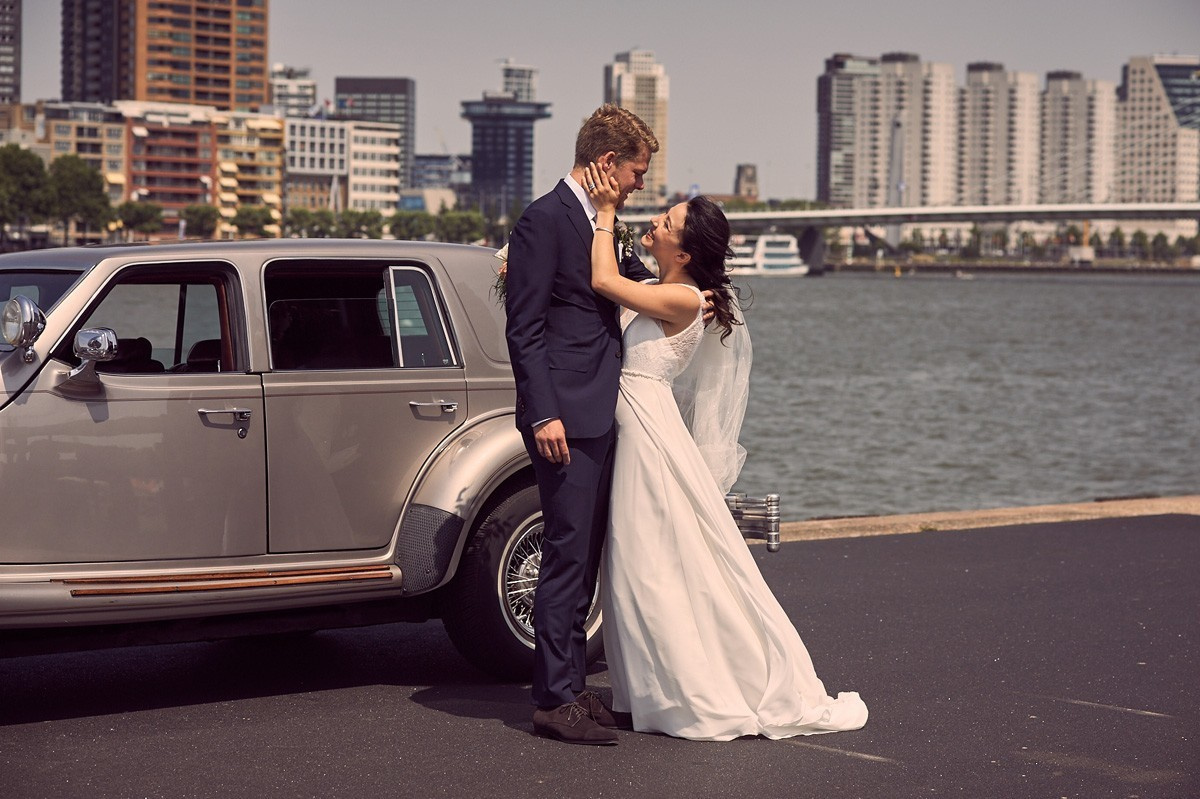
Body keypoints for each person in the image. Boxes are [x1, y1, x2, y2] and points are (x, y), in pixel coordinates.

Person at [584, 162, 870, 741]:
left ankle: (687, 693)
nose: (655, 221)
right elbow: (620, 281)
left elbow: (605, 284)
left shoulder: (686, 300)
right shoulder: (670, 290)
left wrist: (606, 211)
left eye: (665, 221)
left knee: (650, 563)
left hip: (647, 433)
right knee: (643, 563)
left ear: (685, 252)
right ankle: (650, 691)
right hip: (640, 427)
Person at [504, 104, 661, 746]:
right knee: (566, 556)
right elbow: (525, 327)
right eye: (636, 171)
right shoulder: (544, 220)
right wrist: (543, 411)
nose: (639, 184)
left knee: (586, 554)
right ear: (606, 163)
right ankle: (552, 700)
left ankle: (571, 685)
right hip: (564, 416)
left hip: (600, 409)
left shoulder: (600, 221)